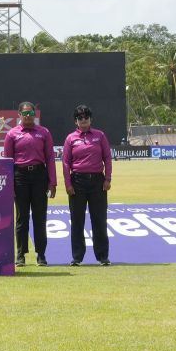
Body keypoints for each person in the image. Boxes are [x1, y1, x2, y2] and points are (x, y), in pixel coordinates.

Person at [2, 101, 55, 266]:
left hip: (40, 176)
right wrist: (9, 184)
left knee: (40, 217)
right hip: (20, 177)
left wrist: (52, 182)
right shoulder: (12, 134)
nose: (28, 116)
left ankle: (41, 254)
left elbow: (50, 158)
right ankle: (20, 255)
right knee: (21, 218)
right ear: (19, 115)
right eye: (24, 113)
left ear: (35, 114)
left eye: (30, 113)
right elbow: (7, 161)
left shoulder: (44, 132)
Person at [63, 105, 113, 267]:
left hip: (97, 182)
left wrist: (107, 179)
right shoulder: (71, 138)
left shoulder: (100, 136)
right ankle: (77, 257)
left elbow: (107, 158)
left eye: (86, 117)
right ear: (75, 121)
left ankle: (102, 256)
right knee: (77, 220)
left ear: (91, 119)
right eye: (80, 118)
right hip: (77, 182)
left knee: (99, 219)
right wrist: (68, 184)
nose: (83, 120)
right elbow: (65, 163)